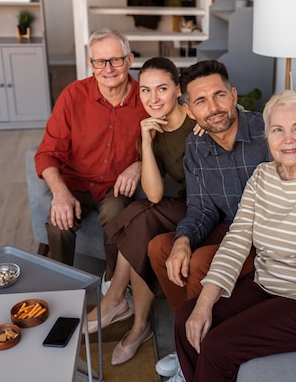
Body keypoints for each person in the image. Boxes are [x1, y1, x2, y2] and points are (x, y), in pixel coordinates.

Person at [147, 60, 296, 379]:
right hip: (270, 282)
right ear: (268, 135)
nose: (288, 139)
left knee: (219, 345)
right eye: (278, 130)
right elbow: (236, 239)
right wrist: (205, 303)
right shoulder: (263, 175)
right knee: (186, 317)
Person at [83, 57, 196, 365]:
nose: (153, 98)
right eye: (145, 90)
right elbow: (157, 193)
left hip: (207, 209)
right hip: (185, 205)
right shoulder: (155, 133)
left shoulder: (197, 117)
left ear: (177, 89)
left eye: (162, 89)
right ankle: (136, 324)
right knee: (142, 221)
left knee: (142, 215)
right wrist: (146, 142)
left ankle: (116, 300)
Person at [34, 28, 147, 272]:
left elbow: (163, 145)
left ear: (129, 60)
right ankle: (62, 285)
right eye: (99, 61)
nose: (108, 69)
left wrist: (140, 165)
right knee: (58, 226)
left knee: (117, 215)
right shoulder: (73, 95)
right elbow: (47, 152)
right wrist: (60, 194)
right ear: (90, 63)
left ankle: (115, 285)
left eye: (116, 60)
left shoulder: (146, 99)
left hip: (115, 187)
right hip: (75, 183)